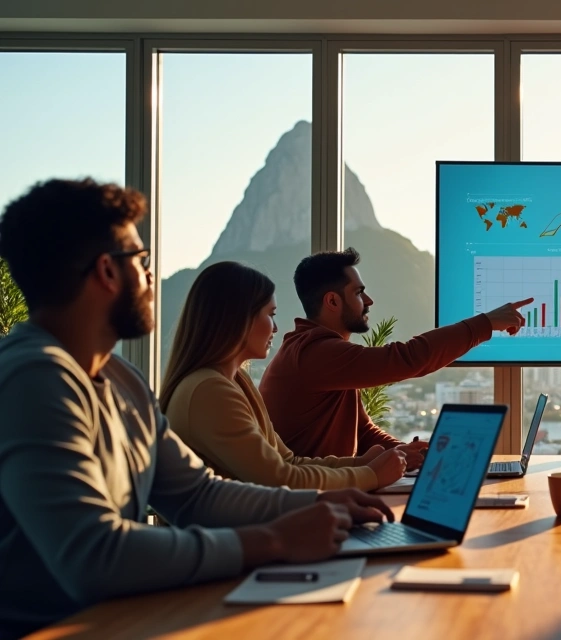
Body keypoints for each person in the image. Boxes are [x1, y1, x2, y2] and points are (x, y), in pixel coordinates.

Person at [0, 179, 392, 638]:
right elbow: (94, 556)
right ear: (107, 272)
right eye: (141, 261)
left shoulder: (122, 380)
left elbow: (196, 495)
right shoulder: (34, 379)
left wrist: (321, 502)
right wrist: (274, 539)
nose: (150, 277)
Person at [160, 261, 411, 492]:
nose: (277, 328)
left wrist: (360, 464)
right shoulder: (209, 390)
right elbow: (280, 479)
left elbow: (289, 461)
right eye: (271, 315)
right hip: (231, 538)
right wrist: (370, 475)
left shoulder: (236, 381)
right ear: (238, 319)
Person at [258, 248, 529, 459]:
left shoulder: (322, 352)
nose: (369, 301)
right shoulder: (314, 353)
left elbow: (363, 432)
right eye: (359, 292)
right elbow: (408, 358)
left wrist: (412, 454)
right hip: (311, 508)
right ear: (332, 301)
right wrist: (485, 323)